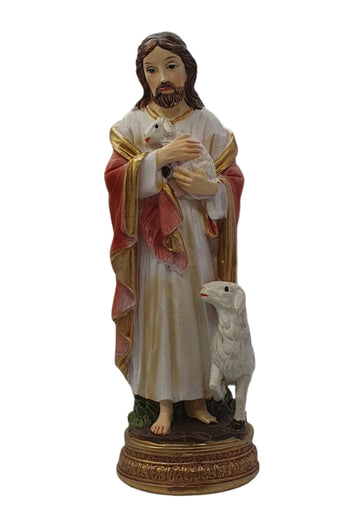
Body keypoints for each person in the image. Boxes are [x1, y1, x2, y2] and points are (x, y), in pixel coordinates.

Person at [105, 32, 244, 435]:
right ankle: (163, 402)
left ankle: (198, 398)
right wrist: (159, 158)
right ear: (142, 76)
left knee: (198, 313)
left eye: (171, 67)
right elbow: (115, 179)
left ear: (187, 71)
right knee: (163, 317)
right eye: (152, 70)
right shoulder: (132, 125)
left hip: (198, 241)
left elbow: (232, 179)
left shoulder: (206, 123)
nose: (162, 78)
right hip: (154, 247)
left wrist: (212, 189)